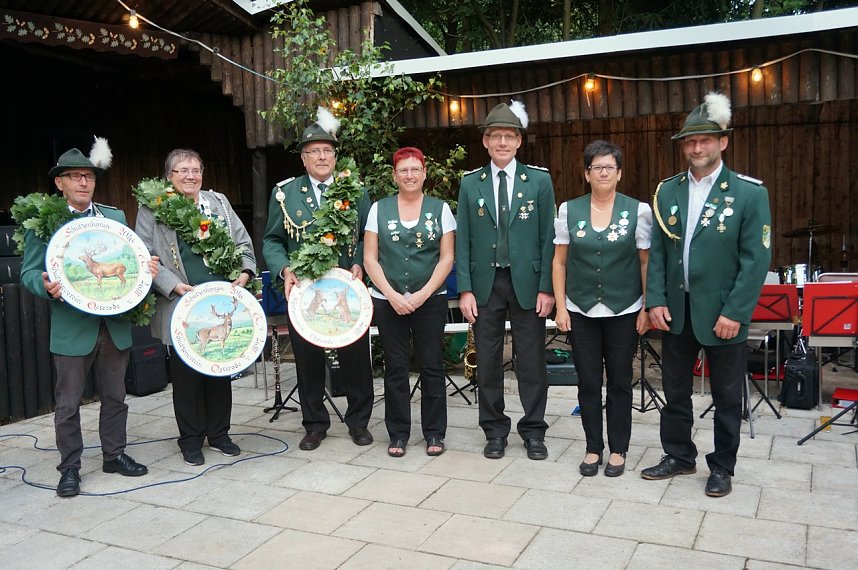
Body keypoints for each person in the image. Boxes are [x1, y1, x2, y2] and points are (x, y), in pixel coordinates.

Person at [643, 92, 772, 497]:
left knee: (727, 395)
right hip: (676, 310)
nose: (697, 148)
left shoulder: (749, 194)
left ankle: (722, 467)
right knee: (675, 390)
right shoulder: (667, 192)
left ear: (723, 142)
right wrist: (655, 300)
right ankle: (679, 455)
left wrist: (736, 311)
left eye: (705, 140)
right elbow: (659, 252)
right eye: (690, 141)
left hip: (723, 313)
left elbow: (756, 260)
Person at [20, 142, 155, 497]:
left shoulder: (115, 219)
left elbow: (134, 257)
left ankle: (114, 454)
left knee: (116, 396)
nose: (83, 182)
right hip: (73, 327)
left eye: (89, 176)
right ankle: (70, 467)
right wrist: (43, 285)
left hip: (114, 325)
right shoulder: (45, 221)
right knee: (68, 404)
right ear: (59, 183)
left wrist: (147, 268)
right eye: (75, 176)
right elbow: (28, 272)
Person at [136, 148, 256, 467]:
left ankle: (219, 434)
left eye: (196, 170)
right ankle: (190, 440)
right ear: (169, 177)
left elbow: (243, 243)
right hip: (181, 304)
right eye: (183, 170)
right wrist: (172, 284)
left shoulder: (219, 203)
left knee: (219, 369)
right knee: (187, 377)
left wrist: (245, 272)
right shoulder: (153, 208)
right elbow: (144, 255)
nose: (191, 176)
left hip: (219, 301)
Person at [262, 114, 373, 451]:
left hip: (346, 290)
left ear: (335, 155)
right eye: (315, 151)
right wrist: (284, 270)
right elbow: (272, 240)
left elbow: (368, 235)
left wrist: (360, 262)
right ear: (303, 158)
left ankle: (359, 422)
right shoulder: (285, 194)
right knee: (308, 360)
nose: (322, 156)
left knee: (356, 359)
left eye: (328, 150)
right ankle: (314, 425)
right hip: (305, 293)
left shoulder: (355, 190)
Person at [456, 101, 556, 460]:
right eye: (496, 136)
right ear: (485, 141)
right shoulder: (471, 184)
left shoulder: (539, 181)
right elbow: (464, 239)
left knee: (531, 360)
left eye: (509, 136)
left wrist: (547, 287)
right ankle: (494, 430)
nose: (502, 142)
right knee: (487, 359)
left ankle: (534, 430)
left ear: (518, 142)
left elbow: (549, 239)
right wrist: (465, 289)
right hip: (485, 283)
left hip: (528, 283)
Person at [552, 140, 652, 477]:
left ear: (619, 173)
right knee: (588, 382)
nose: (604, 172)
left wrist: (646, 307)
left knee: (621, 381)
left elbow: (645, 262)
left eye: (610, 167)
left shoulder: (638, 211)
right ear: (587, 173)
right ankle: (593, 447)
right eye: (597, 167)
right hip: (581, 310)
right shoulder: (569, 210)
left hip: (624, 309)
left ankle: (618, 448)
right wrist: (561, 307)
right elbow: (559, 262)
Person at [363, 147, 455, 457]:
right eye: (403, 170)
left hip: (430, 299)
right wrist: (391, 295)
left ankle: (434, 433)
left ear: (425, 173)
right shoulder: (379, 209)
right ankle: (398, 433)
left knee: (432, 365)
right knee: (395, 367)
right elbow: (370, 258)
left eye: (415, 169)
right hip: (388, 301)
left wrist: (423, 294)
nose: (410, 175)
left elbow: (446, 258)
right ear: (394, 175)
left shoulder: (441, 209)